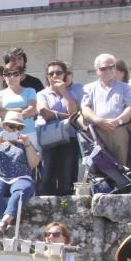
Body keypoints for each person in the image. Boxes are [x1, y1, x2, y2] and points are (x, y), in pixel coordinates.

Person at [0, 111, 41, 237]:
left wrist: (27, 145)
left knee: (23, 190)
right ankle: (3, 225)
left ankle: (4, 222)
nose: (15, 130)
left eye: (19, 127)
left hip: (20, 176)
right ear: (4, 126)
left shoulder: (25, 143)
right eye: (12, 126)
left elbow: (34, 164)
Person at [37, 61, 82, 196]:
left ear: (64, 74)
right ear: (47, 76)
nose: (54, 75)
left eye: (58, 72)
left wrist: (64, 92)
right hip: (48, 138)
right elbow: (45, 113)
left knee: (67, 177)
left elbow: (74, 112)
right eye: (51, 73)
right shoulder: (42, 94)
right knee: (46, 176)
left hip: (70, 137)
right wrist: (68, 116)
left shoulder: (73, 91)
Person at [82, 52, 131, 167]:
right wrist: (98, 120)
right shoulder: (88, 88)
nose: (109, 70)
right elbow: (85, 108)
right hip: (97, 132)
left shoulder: (126, 88)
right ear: (97, 71)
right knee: (99, 167)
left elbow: (130, 107)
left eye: (112, 67)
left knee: (121, 168)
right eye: (104, 68)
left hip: (119, 131)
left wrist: (117, 121)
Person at [0, 61, 38, 136]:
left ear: (20, 75)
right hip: (4, 134)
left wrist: (6, 111)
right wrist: (22, 109)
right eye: (8, 74)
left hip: (28, 133)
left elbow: (32, 111)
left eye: (15, 73)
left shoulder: (30, 91)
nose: (12, 77)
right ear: (4, 77)